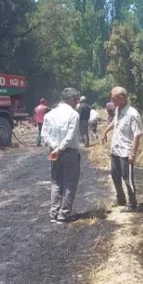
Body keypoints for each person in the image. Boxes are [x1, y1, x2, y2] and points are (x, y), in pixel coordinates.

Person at [41, 88, 82, 223]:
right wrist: (60, 149)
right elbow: (70, 136)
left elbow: (44, 135)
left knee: (56, 182)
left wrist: (54, 147)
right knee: (70, 183)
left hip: (54, 152)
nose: (77, 102)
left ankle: (54, 213)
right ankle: (64, 215)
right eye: (76, 99)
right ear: (70, 99)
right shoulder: (73, 114)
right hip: (69, 152)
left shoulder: (49, 114)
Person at [102, 87, 143, 212]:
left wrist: (133, 153)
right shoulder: (118, 110)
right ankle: (120, 199)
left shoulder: (132, 114)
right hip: (116, 149)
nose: (111, 100)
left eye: (113, 98)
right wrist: (105, 131)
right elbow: (115, 122)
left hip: (126, 151)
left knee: (127, 178)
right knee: (115, 175)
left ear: (122, 98)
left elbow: (138, 134)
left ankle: (132, 204)